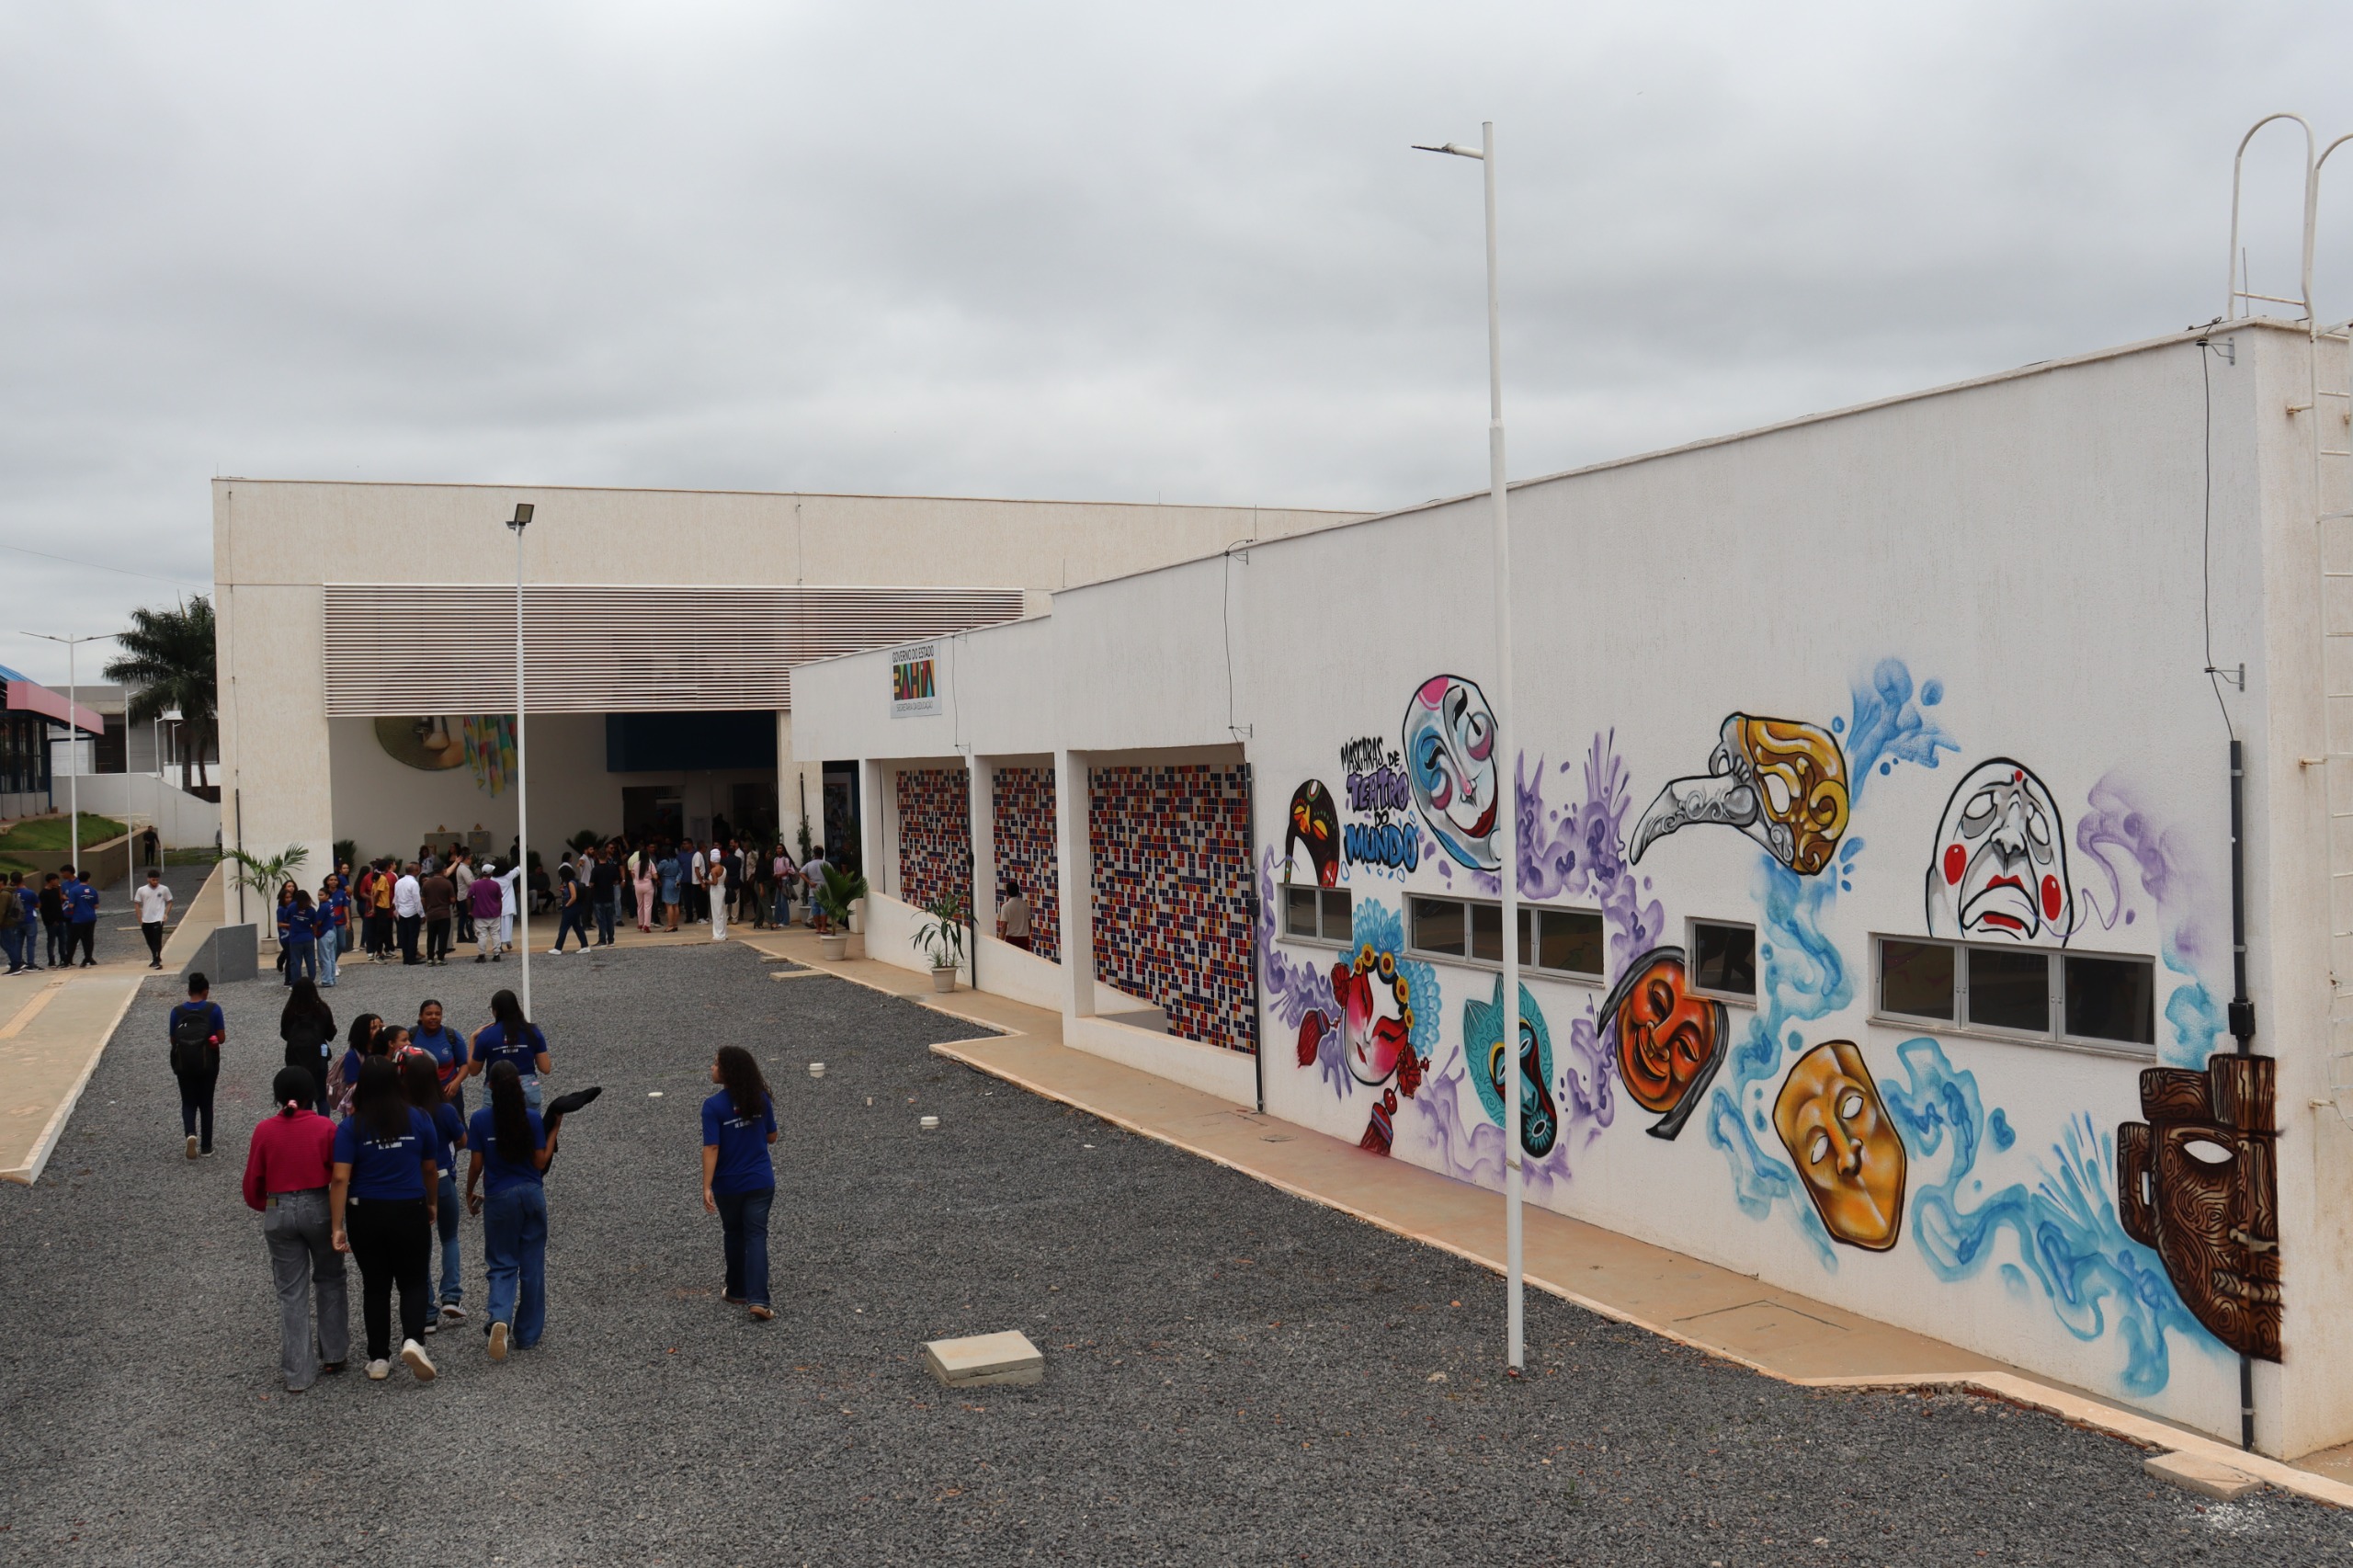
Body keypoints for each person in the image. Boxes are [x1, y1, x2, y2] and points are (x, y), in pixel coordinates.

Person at [328, 1056, 439, 1382]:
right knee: (413, 1279)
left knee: (375, 1285)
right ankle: (414, 1340)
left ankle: (378, 1358)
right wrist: (432, 1203)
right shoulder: (419, 1118)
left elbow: (340, 1178)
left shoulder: (351, 1127)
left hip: (366, 1211)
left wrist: (337, 1226)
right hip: (409, 1205)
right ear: (397, 1081)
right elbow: (430, 1168)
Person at [243, 1065, 350, 1392]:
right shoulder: (324, 1127)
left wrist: (269, 1206)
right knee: (330, 1277)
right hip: (318, 1204)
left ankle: (298, 1373)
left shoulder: (264, 1130)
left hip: (279, 1207)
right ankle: (334, 1353)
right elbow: (339, 1174)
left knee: (291, 1291)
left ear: (278, 1097)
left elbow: (252, 1184)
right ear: (310, 1095)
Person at [466, 1060, 557, 1360]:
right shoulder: (531, 1118)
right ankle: (527, 1335)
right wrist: (555, 1128)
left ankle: (500, 1317)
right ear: (519, 1086)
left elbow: (477, 1164)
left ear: (490, 1087)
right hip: (531, 1194)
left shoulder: (480, 1120)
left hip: (499, 1198)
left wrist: (469, 1191)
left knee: (502, 1262)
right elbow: (540, 1162)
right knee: (532, 1264)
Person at [701, 1046, 778, 1321]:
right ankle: (759, 1300)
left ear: (728, 1072)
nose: (712, 1068)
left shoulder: (713, 1106)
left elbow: (712, 1147)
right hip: (760, 1181)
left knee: (734, 1233)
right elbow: (772, 1137)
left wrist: (706, 1186)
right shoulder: (760, 1099)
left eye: (716, 1064)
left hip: (728, 1185)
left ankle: (736, 1291)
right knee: (756, 1235)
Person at [404, 1051, 469, 1331]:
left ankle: (427, 1311)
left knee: (421, 1247)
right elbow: (463, 1140)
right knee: (449, 1236)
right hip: (443, 1178)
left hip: (413, 1184)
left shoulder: (405, 1112)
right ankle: (452, 1295)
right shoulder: (445, 1110)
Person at [168, 971, 226, 1159]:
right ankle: (207, 1147)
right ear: (205, 992)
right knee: (206, 1103)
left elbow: (173, 1040)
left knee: (188, 1102)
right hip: (208, 1062)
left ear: (188, 991)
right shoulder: (214, 1010)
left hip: (184, 1063)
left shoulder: (177, 1012)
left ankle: (190, 1133)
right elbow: (221, 1038)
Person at [466, 989, 551, 1111]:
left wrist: (472, 1039)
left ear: (495, 1011)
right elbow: (545, 1068)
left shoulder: (486, 1036)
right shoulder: (533, 1032)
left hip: (496, 1088)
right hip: (528, 1088)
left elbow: (473, 1071)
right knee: (530, 1122)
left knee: (493, 1123)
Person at [279, 979, 338, 1116]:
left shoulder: (290, 1011)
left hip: (295, 1058)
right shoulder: (322, 1009)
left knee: (303, 1098)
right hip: (319, 1057)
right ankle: (324, 1124)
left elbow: (285, 1034)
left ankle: (305, 1124)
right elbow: (330, 1035)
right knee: (322, 1097)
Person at [413, 999, 469, 1113]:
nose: (434, 1017)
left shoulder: (452, 1036)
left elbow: (465, 1064)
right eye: (429, 1014)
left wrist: (456, 1083)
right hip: (419, 1096)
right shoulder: (410, 1036)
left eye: (438, 1014)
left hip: (449, 1095)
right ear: (420, 1016)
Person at [330, 1013, 382, 1120]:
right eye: (373, 1028)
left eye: (380, 1027)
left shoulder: (381, 1050)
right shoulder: (353, 1056)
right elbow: (353, 1087)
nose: (379, 1031)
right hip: (362, 1108)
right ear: (362, 1032)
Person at [131, 867, 173, 970]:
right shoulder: (141, 890)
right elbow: (137, 904)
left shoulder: (164, 889)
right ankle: (156, 956)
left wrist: (166, 914)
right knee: (149, 940)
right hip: (146, 919)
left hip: (158, 919)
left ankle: (156, 960)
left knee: (157, 940)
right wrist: (140, 919)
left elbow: (170, 901)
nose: (155, 882)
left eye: (157, 880)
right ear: (148, 879)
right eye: (153, 880)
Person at [279, 888, 319, 986]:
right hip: (308, 938)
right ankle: (311, 980)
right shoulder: (311, 910)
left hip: (295, 938)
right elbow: (315, 925)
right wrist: (313, 935)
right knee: (310, 960)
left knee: (295, 962)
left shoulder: (292, 907)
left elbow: (287, 918)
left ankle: (296, 984)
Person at [317, 872, 351, 987]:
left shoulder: (341, 893)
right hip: (330, 924)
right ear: (327, 881)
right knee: (332, 947)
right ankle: (331, 970)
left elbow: (345, 907)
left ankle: (331, 968)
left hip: (340, 922)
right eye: (331, 880)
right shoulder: (324, 894)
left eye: (335, 880)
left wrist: (348, 920)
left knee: (341, 945)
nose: (333, 881)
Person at [61, 865, 98, 967]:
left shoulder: (74, 890)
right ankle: (88, 958)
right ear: (88, 879)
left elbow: (71, 905)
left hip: (78, 918)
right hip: (91, 917)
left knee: (72, 939)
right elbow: (96, 905)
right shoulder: (93, 890)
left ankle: (67, 960)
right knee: (88, 939)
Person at [468, 860, 504, 961]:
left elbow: (468, 898)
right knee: (495, 934)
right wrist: (500, 912)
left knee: (482, 935)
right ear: (490, 873)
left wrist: (470, 911)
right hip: (494, 913)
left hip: (479, 913)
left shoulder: (475, 884)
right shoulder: (495, 884)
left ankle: (481, 955)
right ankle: (497, 954)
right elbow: (499, 900)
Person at [421, 860, 455, 966]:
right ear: (443, 870)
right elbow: (453, 899)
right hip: (444, 913)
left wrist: (426, 909)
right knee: (442, 937)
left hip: (431, 914)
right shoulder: (447, 883)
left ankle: (430, 958)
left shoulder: (426, 883)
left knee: (431, 937)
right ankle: (440, 958)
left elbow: (423, 899)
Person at [550, 862, 589, 954]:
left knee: (563, 928)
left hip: (571, 907)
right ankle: (585, 946)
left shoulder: (570, 883)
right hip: (577, 907)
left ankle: (558, 948)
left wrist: (566, 905)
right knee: (577, 927)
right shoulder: (574, 881)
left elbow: (573, 897)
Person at [393, 862, 424, 965]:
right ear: (415, 870)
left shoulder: (398, 882)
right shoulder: (414, 883)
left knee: (404, 936)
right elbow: (417, 900)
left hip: (402, 912)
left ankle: (406, 957)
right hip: (412, 912)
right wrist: (422, 914)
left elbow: (396, 898)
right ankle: (412, 958)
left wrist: (397, 911)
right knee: (413, 936)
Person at [590, 846, 620, 947]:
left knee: (601, 920)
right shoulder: (612, 868)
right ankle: (611, 940)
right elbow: (616, 881)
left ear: (598, 857)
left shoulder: (595, 870)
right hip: (609, 896)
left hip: (599, 897)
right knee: (610, 919)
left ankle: (602, 940)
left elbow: (591, 883)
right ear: (607, 856)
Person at [38, 871, 67, 967]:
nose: (57, 882)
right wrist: (51, 921)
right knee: (51, 941)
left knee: (63, 940)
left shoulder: (56, 890)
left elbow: (60, 903)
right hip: (51, 922)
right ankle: (51, 960)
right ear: (51, 881)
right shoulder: (43, 893)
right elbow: (43, 909)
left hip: (60, 919)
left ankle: (63, 958)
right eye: (56, 880)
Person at [997, 880, 1032, 952]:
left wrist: (1000, 943)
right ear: (1018, 892)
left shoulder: (1005, 907)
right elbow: (1029, 924)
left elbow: (1004, 926)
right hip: (1024, 940)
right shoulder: (1025, 905)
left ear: (1007, 893)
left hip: (1011, 940)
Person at [801, 845, 830, 931]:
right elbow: (832, 876)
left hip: (813, 890)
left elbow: (801, 873)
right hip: (824, 890)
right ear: (823, 854)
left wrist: (809, 882)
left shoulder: (809, 864)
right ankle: (824, 928)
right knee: (823, 910)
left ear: (814, 854)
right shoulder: (826, 864)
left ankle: (818, 928)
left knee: (815, 910)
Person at [658, 845, 683, 933]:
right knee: (676, 904)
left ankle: (670, 925)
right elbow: (680, 872)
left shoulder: (664, 862)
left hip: (667, 881)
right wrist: (678, 880)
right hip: (676, 882)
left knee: (669, 905)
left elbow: (657, 871)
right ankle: (675, 924)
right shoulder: (676, 861)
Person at [706, 850, 729, 942]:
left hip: (716, 891)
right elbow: (726, 880)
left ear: (712, 859)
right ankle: (724, 933)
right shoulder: (723, 868)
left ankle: (719, 935)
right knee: (722, 912)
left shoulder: (713, 870)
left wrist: (706, 881)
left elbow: (715, 882)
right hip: (722, 889)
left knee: (717, 913)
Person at [632, 849, 655, 933]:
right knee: (647, 906)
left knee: (640, 905)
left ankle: (640, 923)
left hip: (638, 886)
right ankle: (646, 925)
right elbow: (655, 876)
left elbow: (633, 874)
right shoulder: (650, 864)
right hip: (648, 885)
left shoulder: (635, 864)